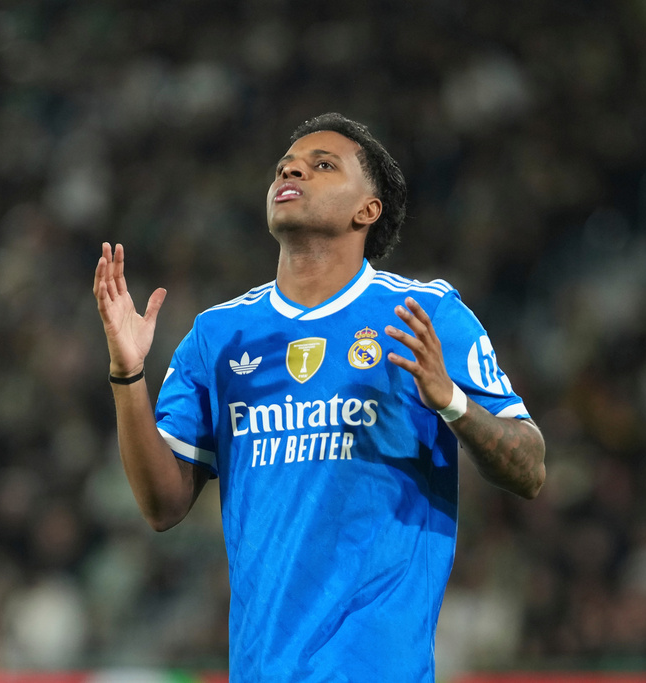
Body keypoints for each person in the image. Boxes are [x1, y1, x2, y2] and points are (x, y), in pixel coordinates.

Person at [93, 112, 546, 681]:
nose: (292, 170)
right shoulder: (218, 335)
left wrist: (451, 400)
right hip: (261, 667)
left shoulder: (425, 316)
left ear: (367, 209)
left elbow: (529, 467)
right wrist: (128, 375)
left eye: (322, 165)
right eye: (286, 165)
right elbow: (162, 507)